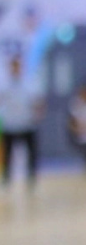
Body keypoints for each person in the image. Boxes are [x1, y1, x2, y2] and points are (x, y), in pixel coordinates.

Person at [0, 54, 45, 189]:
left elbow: (38, 101)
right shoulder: (4, 84)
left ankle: (31, 178)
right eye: (13, 66)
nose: (16, 68)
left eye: (18, 66)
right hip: (10, 124)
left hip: (27, 123)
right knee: (8, 153)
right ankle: (7, 178)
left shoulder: (30, 83)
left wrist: (37, 114)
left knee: (31, 153)